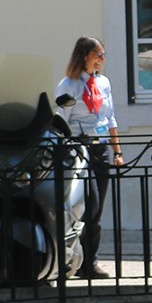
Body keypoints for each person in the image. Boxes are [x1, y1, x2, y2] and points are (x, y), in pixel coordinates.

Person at [53, 37, 123, 279]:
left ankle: (89, 263)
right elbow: (60, 120)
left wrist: (117, 152)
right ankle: (71, 259)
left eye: (103, 55)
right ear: (84, 56)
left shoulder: (103, 83)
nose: (102, 59)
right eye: (98, 55)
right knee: (88, 205)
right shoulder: (69, 84)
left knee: (97, 208)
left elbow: (110, 119)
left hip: (100, 148)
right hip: (79, 149)